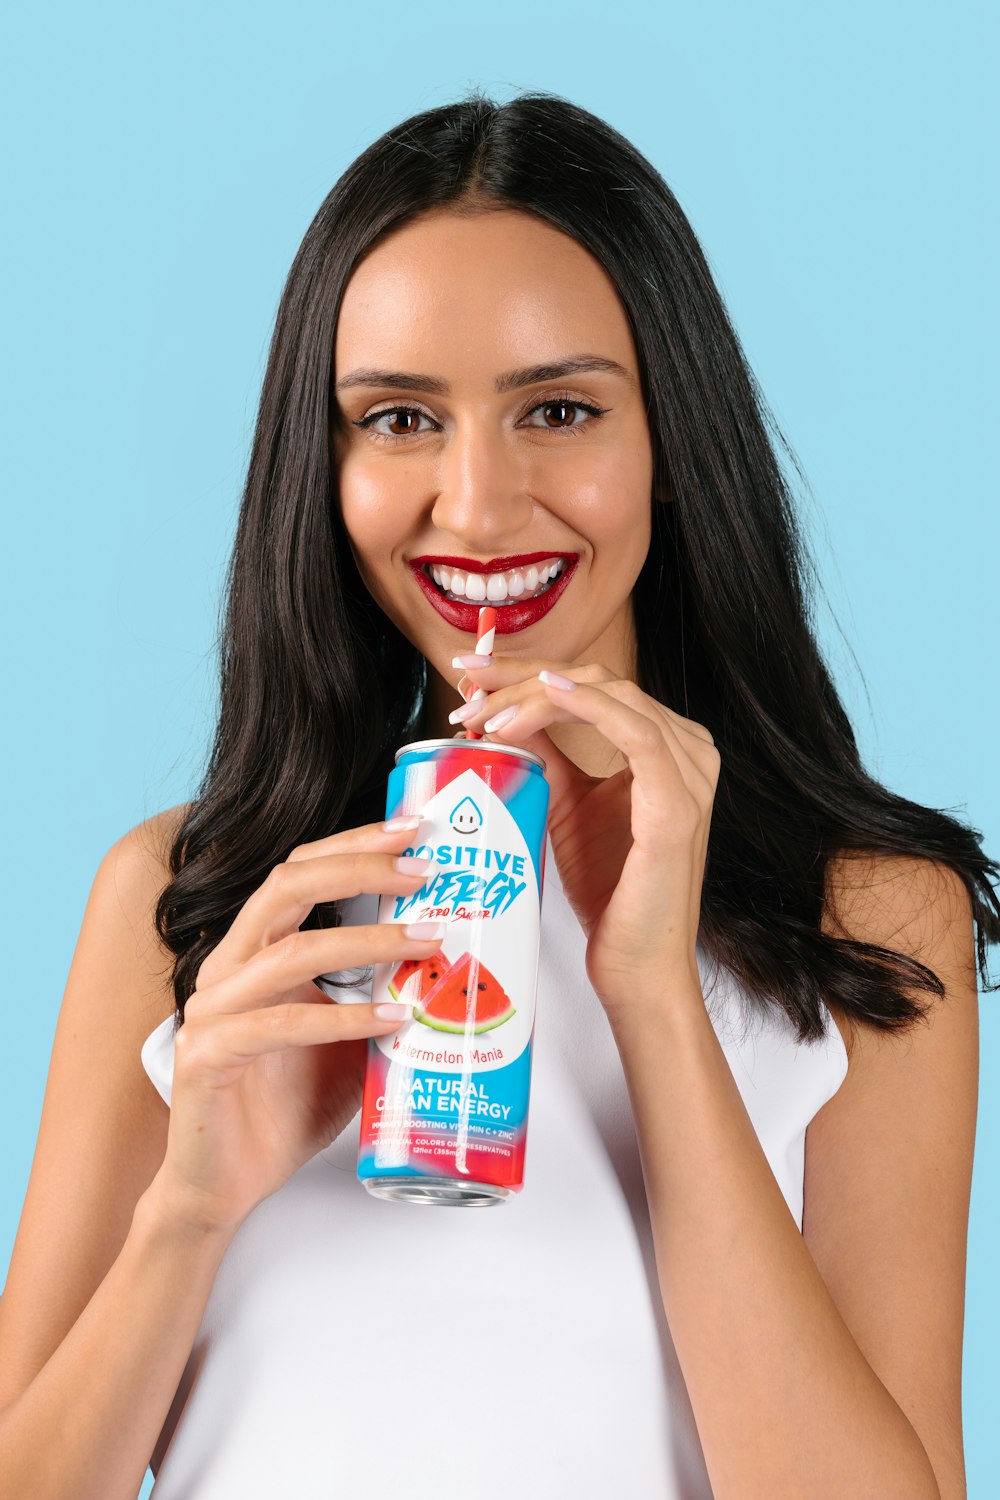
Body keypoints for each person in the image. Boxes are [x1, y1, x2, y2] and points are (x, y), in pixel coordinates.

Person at [0, 92, 995, 1500]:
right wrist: (191, 1209)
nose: (473, 506)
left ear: (674, 438)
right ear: (323, 463)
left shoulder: (874, 921)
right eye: (398, 418)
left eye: (561, 409)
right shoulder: (187, 907)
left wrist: (655, 999)